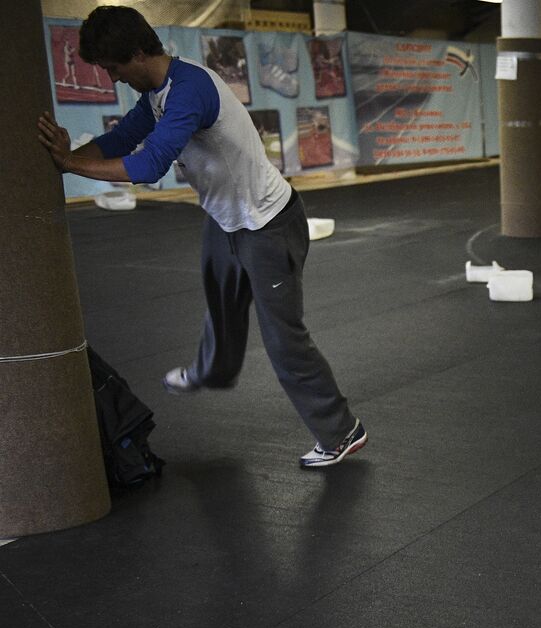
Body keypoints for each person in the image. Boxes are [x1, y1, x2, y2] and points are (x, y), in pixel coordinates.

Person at [37, 6, 364, 469]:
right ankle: (213, 371)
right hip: (224, 218)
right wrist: (66, 154)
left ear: (136, 53)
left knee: (283, 339)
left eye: (113, 68)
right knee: (222, 306)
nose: (111, 79)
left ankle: (341, 430)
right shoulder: (155, 92)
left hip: (268, 223)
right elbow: (122, 138)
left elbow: (148, 166)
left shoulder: (189, 90)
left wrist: (70, 166)